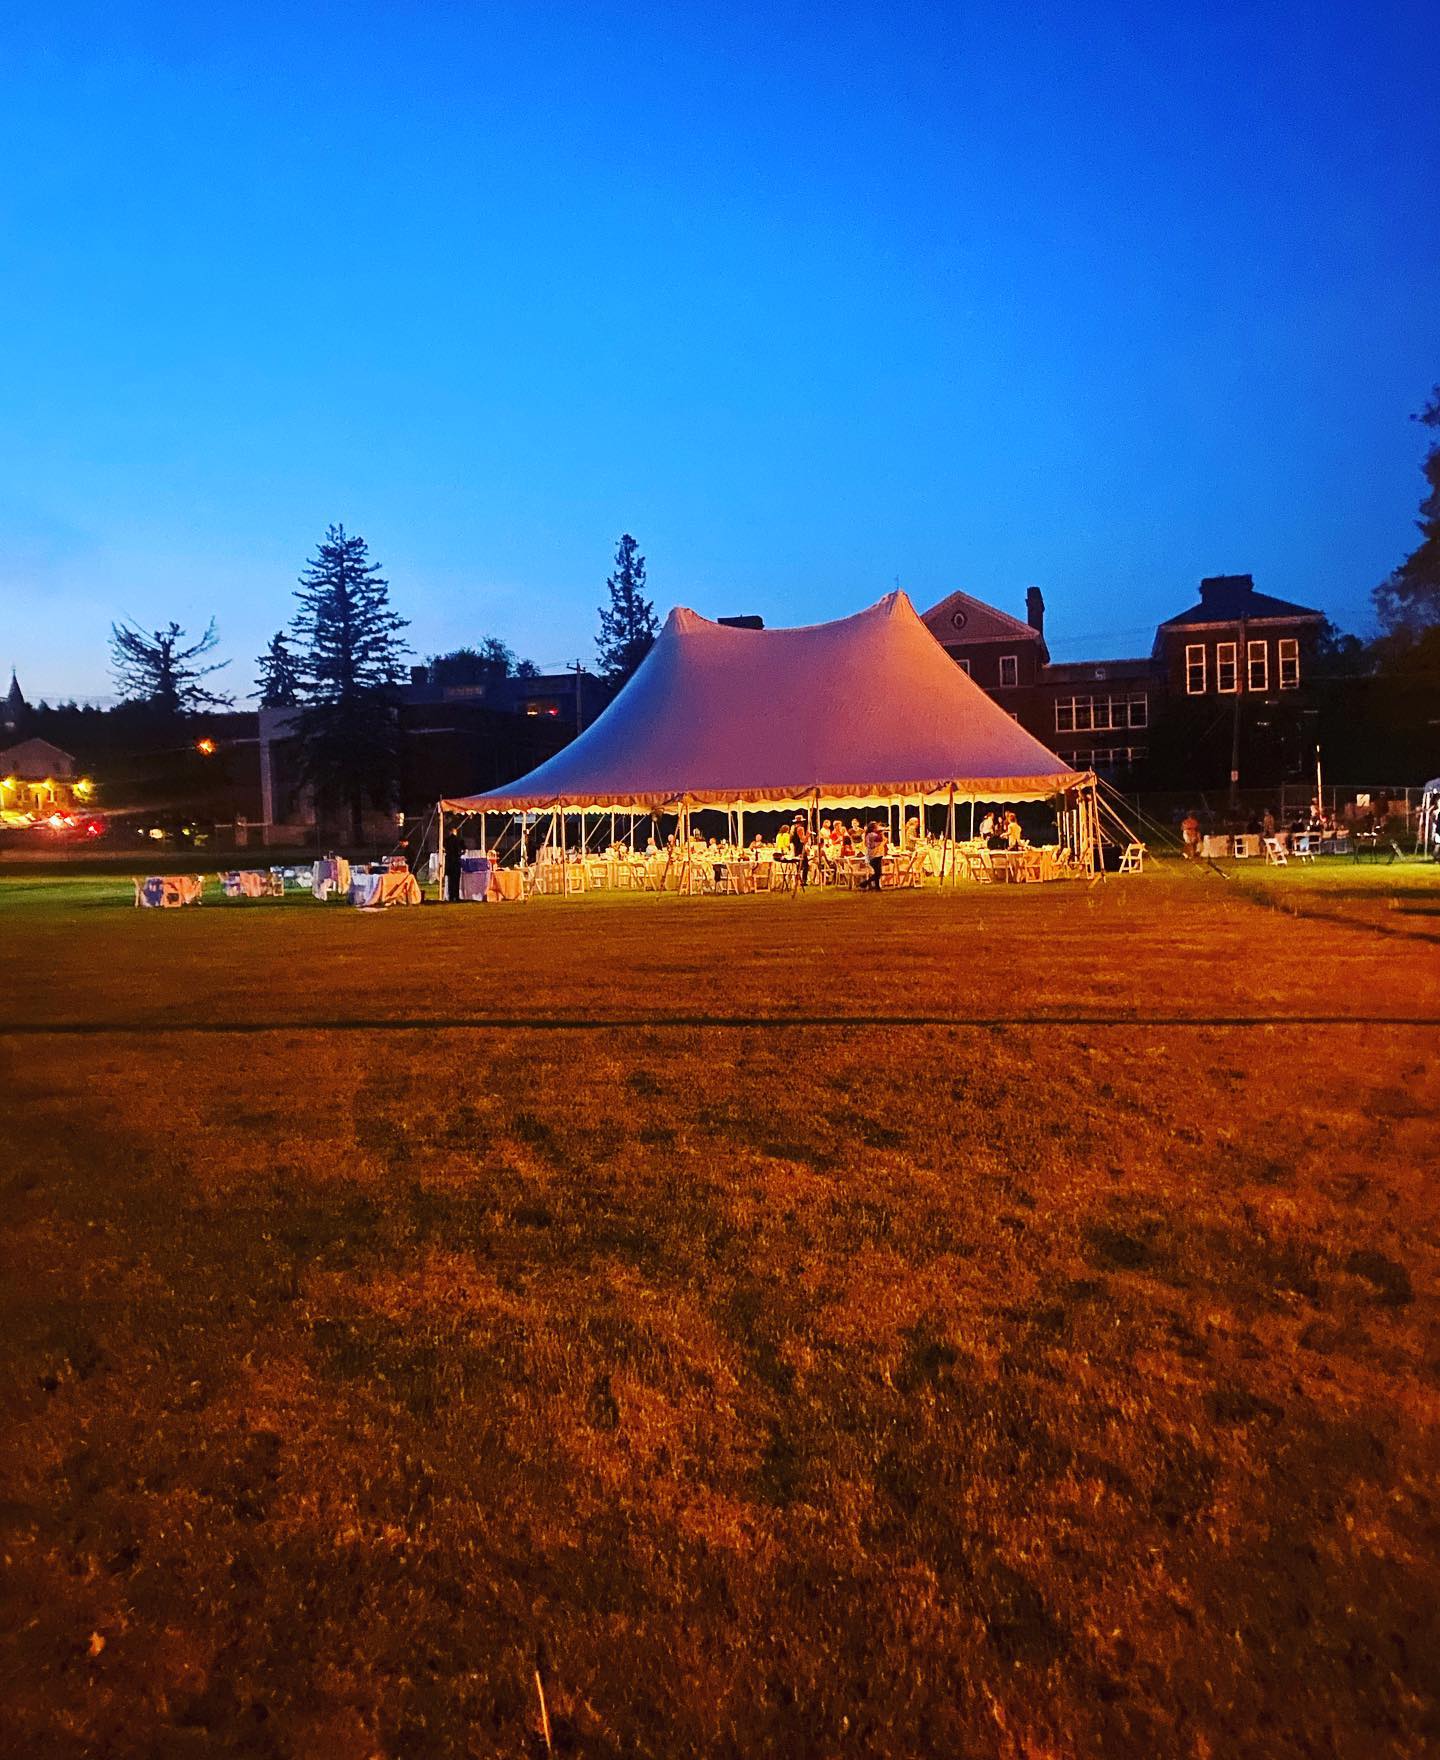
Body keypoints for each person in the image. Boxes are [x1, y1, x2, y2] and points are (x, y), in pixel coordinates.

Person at [863, 819, 887, 890]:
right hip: (874, 855)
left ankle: (877, 887)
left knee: (877, 872)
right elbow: (880, 840)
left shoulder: (871, 834)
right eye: (876, 827)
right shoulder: (871, 835)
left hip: (877, 854)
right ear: (873, 828)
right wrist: (881, 833)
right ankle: (865, 883)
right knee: (878, 873)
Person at [443, 822, 464, 902]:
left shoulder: (446, 840)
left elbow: (443, 848)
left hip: (449, 862)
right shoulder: (459, 840)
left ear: (450, 832)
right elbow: (464, 850)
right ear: (455, 832)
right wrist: (460, 854)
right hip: (456, 862)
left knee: (450, 880)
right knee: (456, 880)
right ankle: (456, 896)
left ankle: (450, 896)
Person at [791, 815, 811, 887]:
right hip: (800, 849)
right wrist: (808, 835)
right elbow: (803, 840)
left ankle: (798, 880)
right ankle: (803, 880)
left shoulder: (793, 828)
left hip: (796, 848)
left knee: (799, 865)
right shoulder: (800, 828)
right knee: (805, 865)